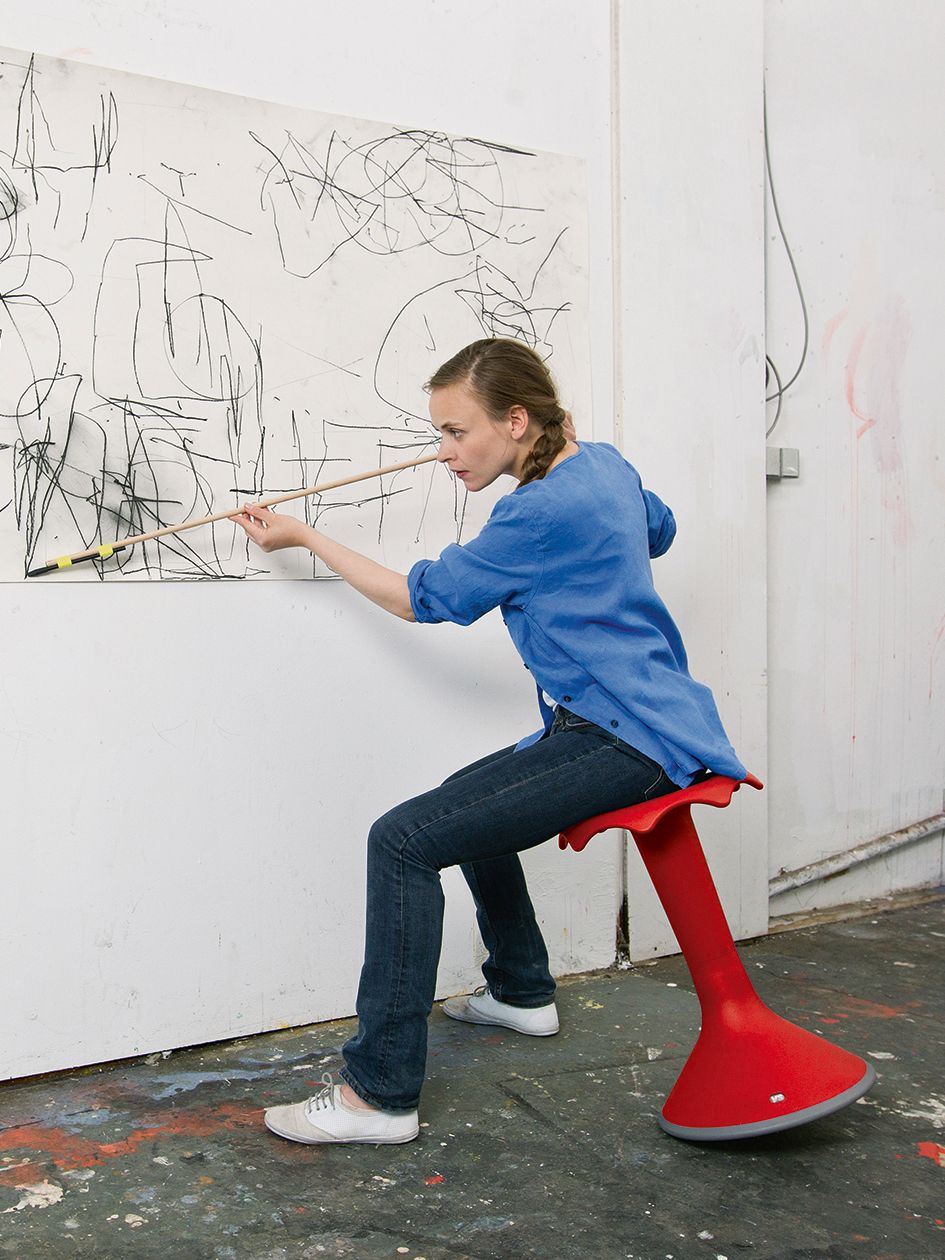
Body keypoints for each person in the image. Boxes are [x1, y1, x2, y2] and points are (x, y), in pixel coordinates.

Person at [233, 337, 746, 1146]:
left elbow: (418, 599)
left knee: (402, 840)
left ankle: (378, 1097)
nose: (443, 453)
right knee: (458, 806)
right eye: (437, 433)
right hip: (641, 720)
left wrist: (305, 537)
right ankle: (519, 990)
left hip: (626, 738)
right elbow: (661, 529)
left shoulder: (536, 511)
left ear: (515, 421)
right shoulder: (602, 466)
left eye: (455, 431)